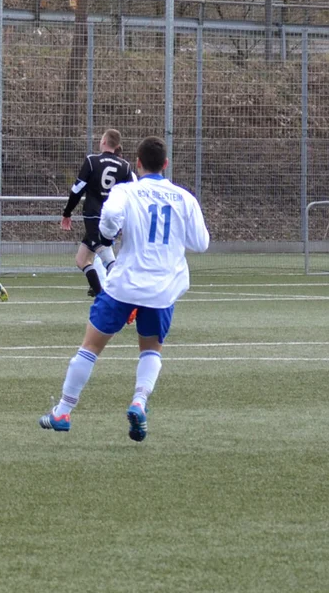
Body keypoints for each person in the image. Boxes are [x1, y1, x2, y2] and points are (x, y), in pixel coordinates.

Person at [39, 136, 210, 442]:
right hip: (162, 288)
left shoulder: (126, 190)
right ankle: (139, 402)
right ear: (166, 164)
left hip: (125, 284)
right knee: (151, 350)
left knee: (90, 347)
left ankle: (63, 411)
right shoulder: (184, 198)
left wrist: (107, 237)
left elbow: (109, 219)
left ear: (138, 163)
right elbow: (201, 243)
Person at [61, 129, 134, 297]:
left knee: (106, 256)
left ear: (104, 142)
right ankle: (100, 294)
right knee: (82, 260)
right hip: (113, 218)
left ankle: (126, 294)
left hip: (94, 216)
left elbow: (78, 189)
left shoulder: (92, 161)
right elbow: (131, 196)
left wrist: (67, 212)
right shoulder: (125, 166)